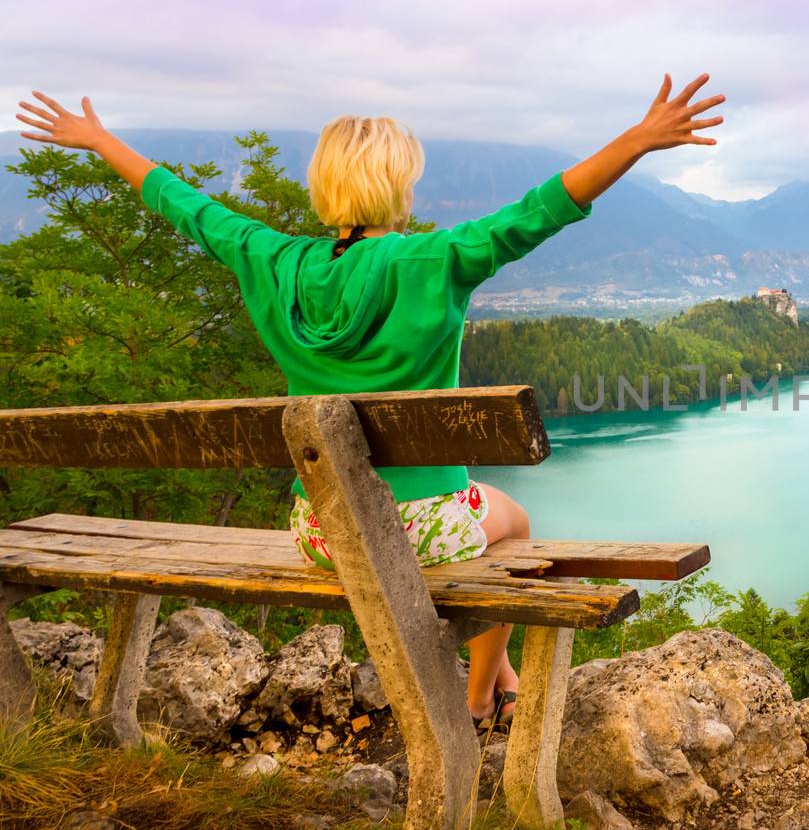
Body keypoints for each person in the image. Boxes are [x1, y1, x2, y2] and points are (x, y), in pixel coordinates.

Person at [15, 76, 725, 733]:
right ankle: (481, 693)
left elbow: (188, 207)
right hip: (423, 529)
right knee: (516, 523)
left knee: (490, 529)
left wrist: (101, 139)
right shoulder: (432, 260)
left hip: (324, 530)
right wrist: (636, 139)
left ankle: (497, 675)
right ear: (398, 187)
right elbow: (540, 210)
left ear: (326, 186)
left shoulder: (272, 258)